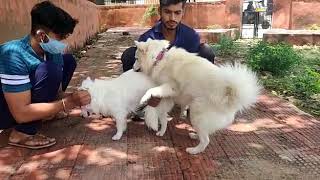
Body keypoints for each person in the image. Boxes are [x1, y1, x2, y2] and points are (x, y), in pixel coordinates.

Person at [0, 1, 91, 149]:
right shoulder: (13, 54)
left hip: (25, 100)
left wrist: (78, 97)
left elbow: (58, 92)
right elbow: (20, 113)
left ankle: (45, 113)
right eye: (60, 37)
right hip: (9, 110)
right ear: (41, 35)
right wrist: (67, 103)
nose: (63, 42)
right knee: (50, 70)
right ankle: (22, 133)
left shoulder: (51, 53)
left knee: (68, 61)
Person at [121, 0, 215, 72]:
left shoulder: (191, 37)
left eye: (177, 13)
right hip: (154, 84)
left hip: (184, 82)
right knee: (129, 54)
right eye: (167, 12)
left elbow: (194, 68)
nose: (172, 18)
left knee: (206, 51)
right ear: (160, 11)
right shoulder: (147, 39)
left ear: (183, 12)